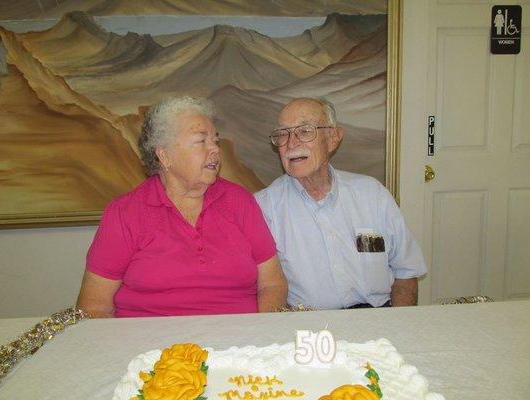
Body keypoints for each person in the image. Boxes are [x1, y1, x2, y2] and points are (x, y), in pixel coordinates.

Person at [77, 96, 287, 317]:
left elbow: (272, 285)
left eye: (215, 140)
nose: (215, 149)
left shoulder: (239, 201)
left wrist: (262, 337)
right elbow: (95, 306)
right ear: (165, 156)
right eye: (200, 141)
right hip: (150, 347)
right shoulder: (125, 213)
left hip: (237, 345)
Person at [255, 97, 426, 309]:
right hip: (311, 330)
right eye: (283, 134)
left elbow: (406, 272)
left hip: (378, 320)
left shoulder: (371, 194)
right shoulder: (264, 208)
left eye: (305, 131)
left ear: (333, 138)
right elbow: (264, 288)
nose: (291, 143)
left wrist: (399, 327)